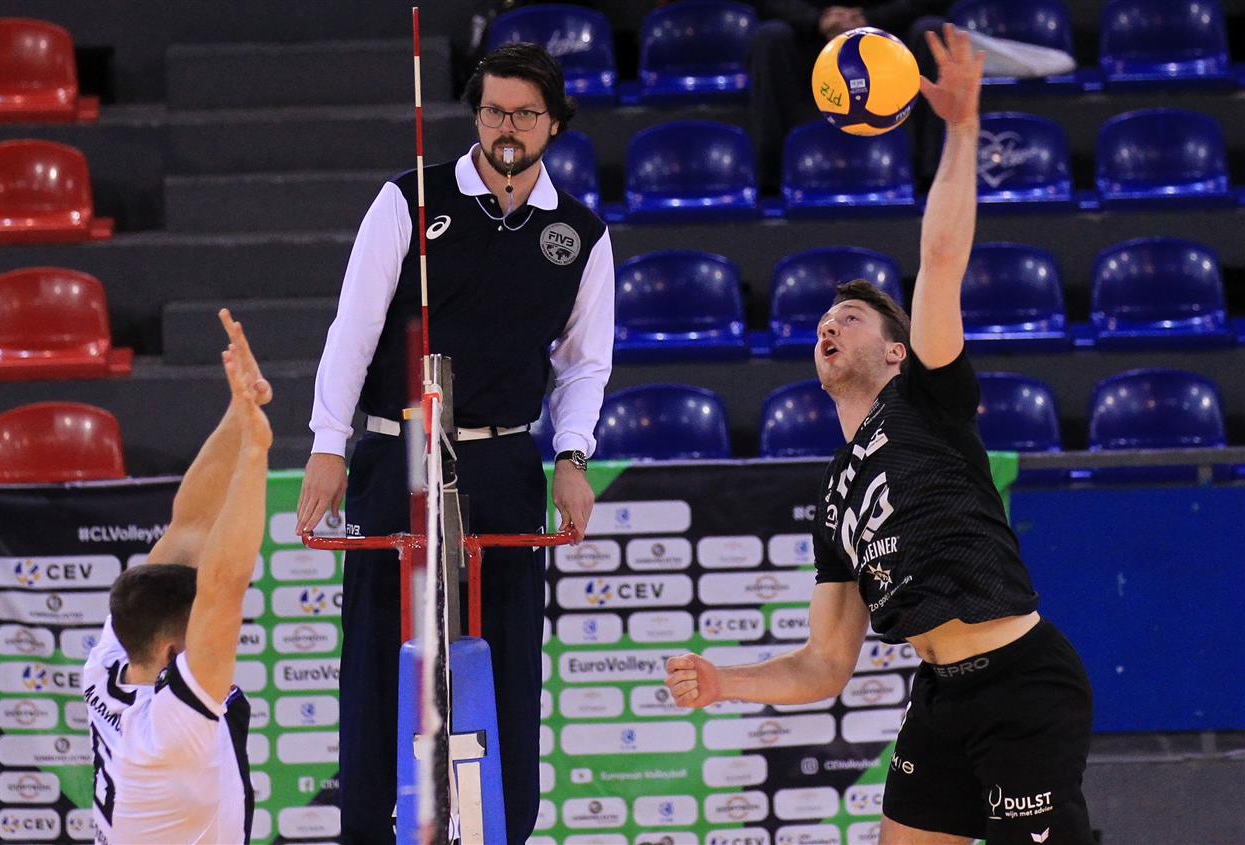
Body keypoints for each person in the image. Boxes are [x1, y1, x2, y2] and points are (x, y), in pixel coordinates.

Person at [666, 26, 1094, 845]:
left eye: (850, 317)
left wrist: (962, 129)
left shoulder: (928, 398)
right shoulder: (836, 496)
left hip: (1021, 681)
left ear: (897, 350)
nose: (828, 325)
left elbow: (941, 257)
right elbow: (825, 662)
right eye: (824, 321)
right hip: (940, 697)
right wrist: (724, 680)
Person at [294, 42, 614, 844]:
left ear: (554, 124)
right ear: (476, 114)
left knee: (505, 658)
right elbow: (353, 329)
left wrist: (573, 455)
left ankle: (503, 829)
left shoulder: (581, 233)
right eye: (495, 110)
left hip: (505, 460)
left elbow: (584, 364)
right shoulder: (408, 199)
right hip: (396, 452)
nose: (508, 127)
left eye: (526, 113)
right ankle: (370, 830)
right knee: (381, 656)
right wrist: (328, 442)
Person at [81, 310, 272, 844]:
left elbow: (191, 527)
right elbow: (223, 584)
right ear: (171, 654)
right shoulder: (167, 730)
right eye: (199, 631)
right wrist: (254, 452)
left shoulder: (110, 667)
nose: (213, 637)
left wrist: (241, 410)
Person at [749, 0, 950, 192]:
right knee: (769, 37)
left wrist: (871, 18)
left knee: (930, 31)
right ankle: (771, 180)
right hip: (811, 37)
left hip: (891, 36)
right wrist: (817, 19)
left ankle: (934, 174)